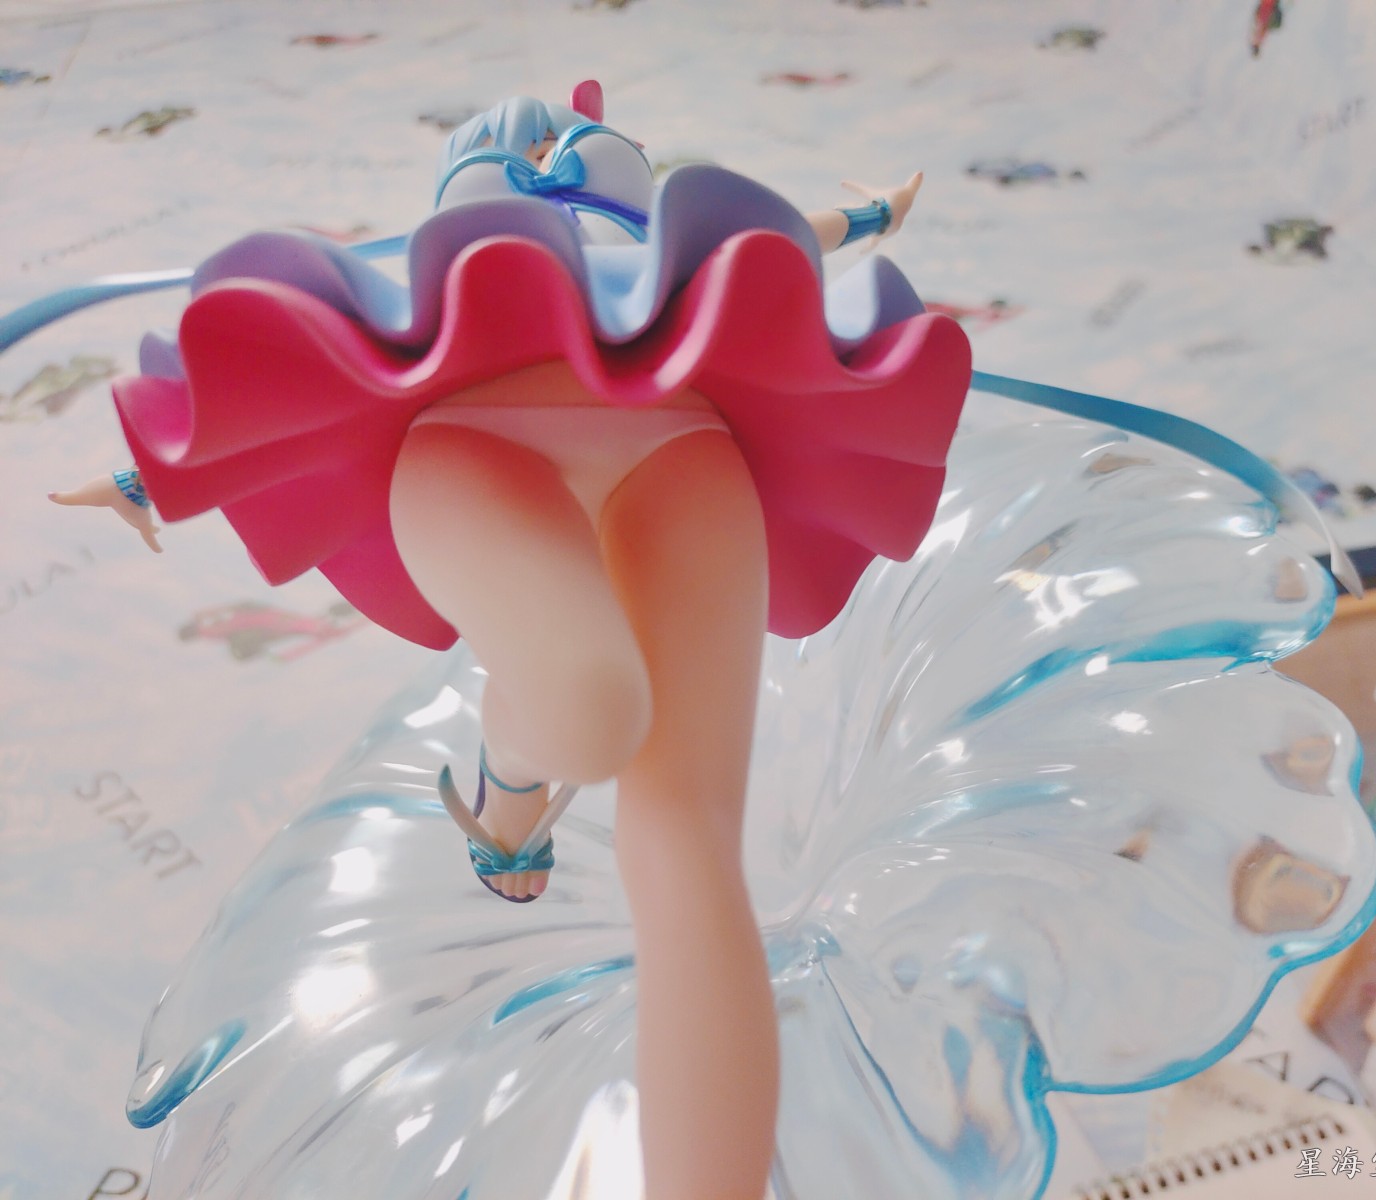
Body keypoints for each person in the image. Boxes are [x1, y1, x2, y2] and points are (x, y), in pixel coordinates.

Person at [50, 84, 971, 1200]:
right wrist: (147, 474)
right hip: (470, 434)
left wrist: (869, 216)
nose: (546, 144)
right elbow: (305, 333)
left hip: (686, 435)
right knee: (594, 709)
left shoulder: (652, 225)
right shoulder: (454, 245)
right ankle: (512, 775)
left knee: (688, 844)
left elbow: (776, 239)